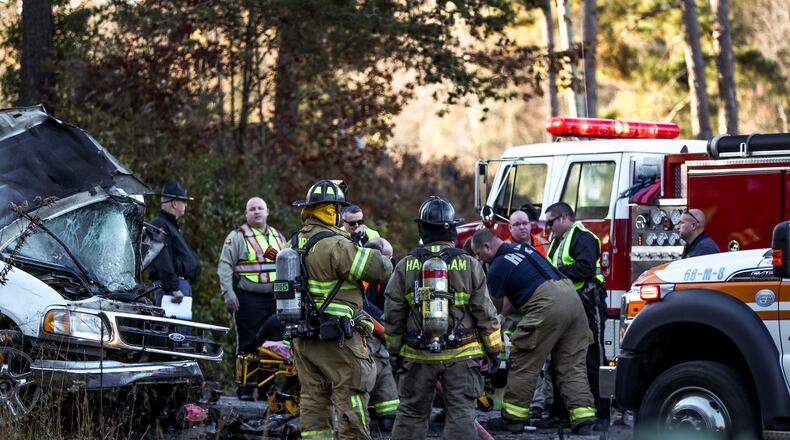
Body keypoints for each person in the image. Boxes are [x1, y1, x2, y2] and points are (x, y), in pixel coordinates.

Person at [382, 196, 502, 439]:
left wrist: (394, 353)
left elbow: (393, 315)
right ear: (452, 229)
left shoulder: (405, 266)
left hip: (417, 355)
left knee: (411, 413)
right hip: (462, 355)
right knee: (461, 414)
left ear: (422, 229)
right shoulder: (469, 264)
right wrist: (494, 352)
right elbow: (485, 313)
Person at [290, 179, 393, 440]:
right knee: (352, 396)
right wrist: (374, 249)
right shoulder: (336, 244)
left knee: (314, 401)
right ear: (333, 211)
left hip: (303, 338)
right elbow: (381, 270)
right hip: (337, 339)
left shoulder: (295, 242)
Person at [471, 228, 596, 434]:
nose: (479, 259)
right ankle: (583, 419)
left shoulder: (497, 267)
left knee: (525, 360)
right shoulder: (523, 248)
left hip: (547, 304)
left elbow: (494, 308)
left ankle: (513, 418)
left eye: (478, 254)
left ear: (487, 247)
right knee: (572, 365)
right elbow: (524, 288)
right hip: (572, 299)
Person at [545, 202, 610, 430]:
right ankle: (560, 413)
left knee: (593, 359)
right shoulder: (558, 240)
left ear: (564, 218)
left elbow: (585, 269)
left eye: (551, 222)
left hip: (589, 304)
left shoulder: (583, 237)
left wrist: (554, 274)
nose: (548, 227)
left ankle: (602, 415)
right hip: (566, 305)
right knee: (559, 357)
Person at [217, 197, 286, 401]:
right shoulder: (237, 237)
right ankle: (246, 388)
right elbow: (225, 266)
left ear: (267, 212)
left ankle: (266, 389)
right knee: (248, 343)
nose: (256, 212)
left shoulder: (277, 236)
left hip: (274, 298)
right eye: (252, 209)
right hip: (247, 299)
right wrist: (228, 294)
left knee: (273, 344)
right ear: (246, 214)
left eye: (260, 208)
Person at [361, 237, 400, 431]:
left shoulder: (382, 277)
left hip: (377, 336)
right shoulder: (360, 276)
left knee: (383, 370)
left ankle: (388, 415)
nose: (389, 263)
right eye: (387, 259)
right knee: (368, 371)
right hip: (363, 334)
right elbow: (363, 306)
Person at [148, 181, 201, 310]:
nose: (186, 204)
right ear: (174, 203)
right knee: (174, 323)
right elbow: (161, 257)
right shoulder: (160, 225)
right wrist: (173, 287)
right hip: (173, 288)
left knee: (180, 324)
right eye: (184, 201)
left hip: (178, 285)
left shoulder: (170, 226)